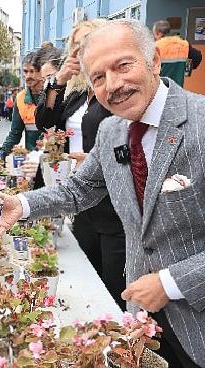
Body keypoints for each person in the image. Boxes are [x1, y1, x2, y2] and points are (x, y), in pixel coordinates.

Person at [0, 19, 205, 368]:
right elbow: (79, 190)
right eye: (98, 77)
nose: (113, 85)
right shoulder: (113, 129)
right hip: (145, 331)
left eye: (123, 65)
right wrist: (24, 204)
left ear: (155, 61)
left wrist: (169, 283)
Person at [33, 20, 128, 310]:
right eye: (78, 46)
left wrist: (100, 160)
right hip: (82, 200)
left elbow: (134, 138)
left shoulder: (116, 93)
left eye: (89, 42)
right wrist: (60, 79)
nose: (83, 51)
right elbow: (45, 120)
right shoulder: (77, 96)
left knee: (114, 289)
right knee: (87, 280)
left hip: (114, 205)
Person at [0, 52, 44, 157]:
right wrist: (2, 153)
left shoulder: (53, 95)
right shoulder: (20, 98)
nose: (28, 76)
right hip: (31, 160)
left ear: (41, 72)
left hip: (53, 161)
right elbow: (15, 133)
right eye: (25, 71)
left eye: (32, 71)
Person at [152, 20, 202, 87]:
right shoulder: (183, 44)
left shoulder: (156, 46)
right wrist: (186, 68)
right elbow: (197, 57)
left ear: (159, 33)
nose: (154, 37)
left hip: (160, 88)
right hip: (177, 88)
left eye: (154, 34)